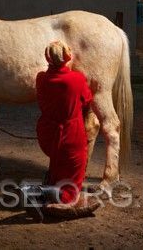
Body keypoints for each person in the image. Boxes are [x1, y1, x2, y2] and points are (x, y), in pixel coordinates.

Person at [31, 40, 101, 219]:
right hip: (71, 132)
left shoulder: (41, 78)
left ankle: (52, 186)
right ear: (68, 57)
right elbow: (87, 100)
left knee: (57, 162)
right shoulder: (76, 79)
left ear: (47, 57)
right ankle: (59, 199)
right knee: (74, 171)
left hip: (47, 132)